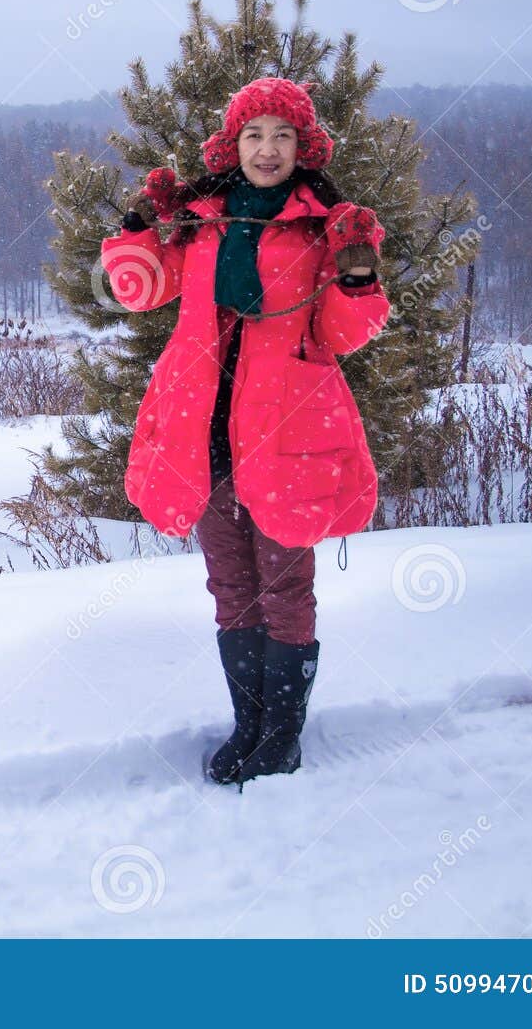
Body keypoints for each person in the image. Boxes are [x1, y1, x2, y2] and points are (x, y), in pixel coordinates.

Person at [98, 76, 390, 785]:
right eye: (254, 135)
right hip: (206, 435)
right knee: (231, 587)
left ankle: (282, 738)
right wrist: (140, 224)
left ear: (303, 147)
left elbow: (345, 333)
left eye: (282, 136)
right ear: (234, 145)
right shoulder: (203, 221)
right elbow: (139, 288)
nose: (268, 149)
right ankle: (249, 725)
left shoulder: (324, 224)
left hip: (288, 434)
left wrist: (356, 273)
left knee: (285, 590)